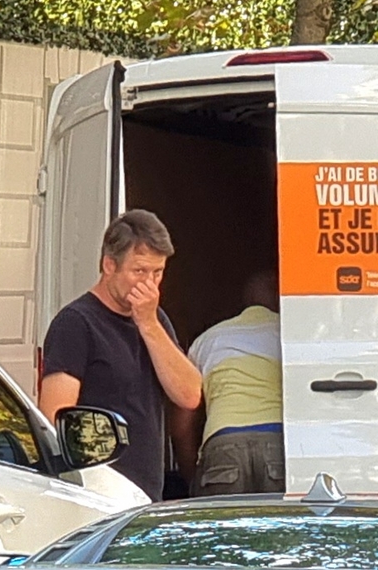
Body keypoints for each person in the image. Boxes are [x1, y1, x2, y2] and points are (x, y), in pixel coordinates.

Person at [38, 209, 205, 501]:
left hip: (146, 493)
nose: (149, 285)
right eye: (139, 271)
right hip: (98, 493)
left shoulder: (155, 320)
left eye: (158, 272)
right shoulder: (76, 323)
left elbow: (189, 394)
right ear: (109, 265)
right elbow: (55, 417)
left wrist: (149, 325)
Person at [188, 271, 285, 495]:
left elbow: (183, 419)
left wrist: (193, 472)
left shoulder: (208, 339)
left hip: (223, 440)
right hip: (278, 443)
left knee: (224, 529)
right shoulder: (290, 335)